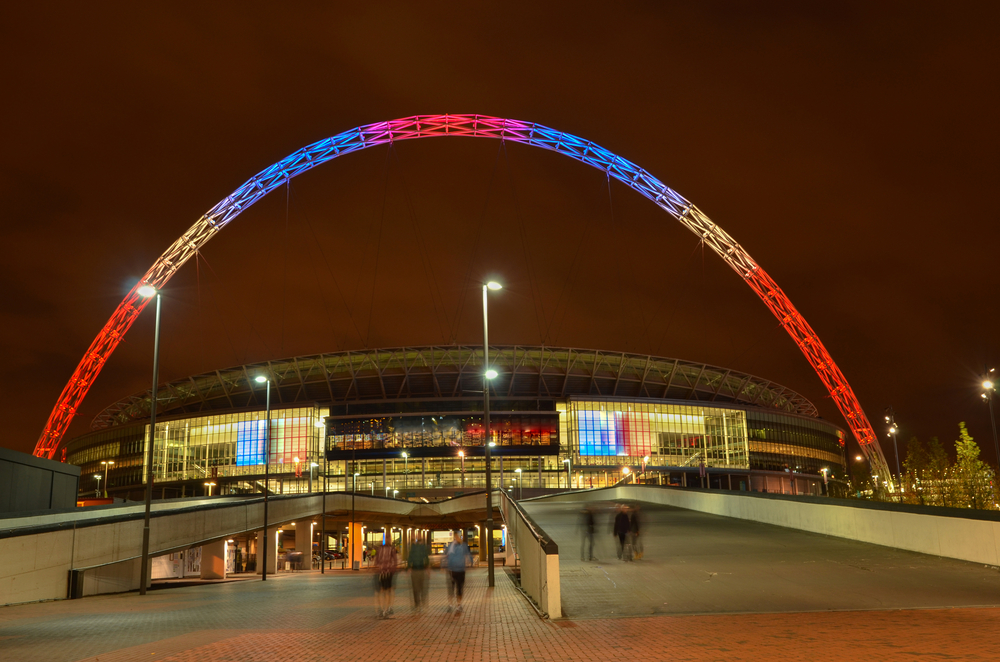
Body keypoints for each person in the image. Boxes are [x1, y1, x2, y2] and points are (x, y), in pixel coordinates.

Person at [443, 530, 472, 614]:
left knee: (460, 588)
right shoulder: (451, 546)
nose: (457, 538)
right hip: (451, 570)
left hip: (461, 570)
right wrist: (443, 565)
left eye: (459, 536)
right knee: (451, 589)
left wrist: (470, 562)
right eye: (456, 536)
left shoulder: (464, 546)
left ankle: (459, 605)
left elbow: (468, 554)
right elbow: (446, 556)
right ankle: (450, 605)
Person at [374, 541, 398, 619]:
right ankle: (384, 609)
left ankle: (386, 609)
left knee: (387, 590)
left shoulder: (391, 549)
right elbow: (377, 561)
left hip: (387, 572)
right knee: (383, 591)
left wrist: (393, 569)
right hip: (383, 572)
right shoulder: (382, 549)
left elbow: (395, 560)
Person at [408, 534, 430, 611]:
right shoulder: (416, 547)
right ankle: (418, 603)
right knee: (417, 588)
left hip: (418, 569)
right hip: (417, 569)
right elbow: (411, 557)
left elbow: (425, 557)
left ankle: (418, 603)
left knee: (418, 587)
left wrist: (409, 567)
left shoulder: (420, 547)